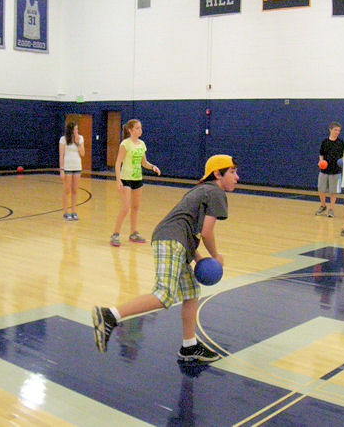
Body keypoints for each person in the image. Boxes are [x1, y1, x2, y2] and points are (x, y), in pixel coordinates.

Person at [93, 155, 239, 362]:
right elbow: (207, 232)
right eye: (232, 172)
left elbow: (189, 226)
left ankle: (189, 346)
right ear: (217, 174)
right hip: (171, 240)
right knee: (164, 295)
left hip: (176, 240)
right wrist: (216, 256)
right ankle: (109, 315)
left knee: (191, 292)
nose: (237, 177)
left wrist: (197, 257)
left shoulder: (202, 190)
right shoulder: (215, 192)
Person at [110, 119, 161, 246]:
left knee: (136, 207)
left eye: (140, 128)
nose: (140, 130)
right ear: (131, 130)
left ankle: (133, 233)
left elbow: (144, 162)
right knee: (126, 207)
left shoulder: (142, 144)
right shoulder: (125, 144)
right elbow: (118, 162)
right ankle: (115, 234)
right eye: (137, 128)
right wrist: (118, 180)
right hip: (126, 178)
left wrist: (153, 167)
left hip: (138, 178)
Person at [316, 122, 344, 218]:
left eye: (339, 130)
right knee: (321, 189)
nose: (337, 132)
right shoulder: (325, 142)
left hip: (336, 171)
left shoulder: (341, 143)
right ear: (330, 130)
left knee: (333, 191)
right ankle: (323, 206)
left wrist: (342, 161)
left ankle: (331, 209)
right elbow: (321, 154)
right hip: (324, 170)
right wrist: (321, 162)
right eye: (335, 130)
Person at [59, 122, 85, 220]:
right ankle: (65, 212)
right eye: (75, 129)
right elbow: (61, 155)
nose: (77, 131)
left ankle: (74, 212)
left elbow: (82, 153)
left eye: (77, 129)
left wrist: (78, 143)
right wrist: (61, 169)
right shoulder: (63, 139)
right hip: (67, 167)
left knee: (75, 190)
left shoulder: (80, 138)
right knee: (67, 190)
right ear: (70, 130)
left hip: (77, 166)